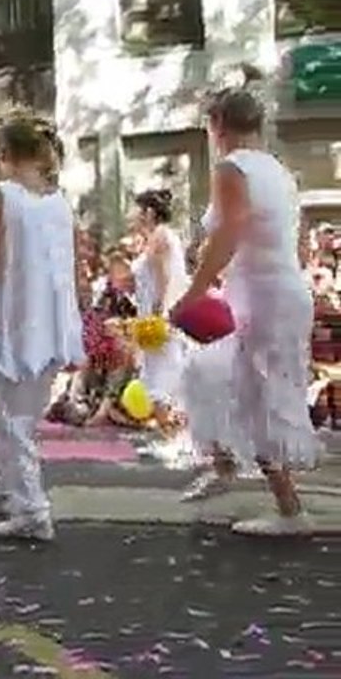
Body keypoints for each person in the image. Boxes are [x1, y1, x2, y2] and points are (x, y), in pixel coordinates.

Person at [175, 88, 319, 535]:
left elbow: (230, 231)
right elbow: (291, 238)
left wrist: (195, 291)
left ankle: (289, 510)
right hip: (279, 290)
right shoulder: (278, 170)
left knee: (255, 395)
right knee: (212, 374)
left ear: (217, 126)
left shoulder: (231, 167)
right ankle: (228, 464)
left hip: (262, 298)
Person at [0, 109, 84, 541]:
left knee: (9, 417)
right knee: (16, 413)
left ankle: (31, 507)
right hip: (49, 317)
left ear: (3, 153)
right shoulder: (59, 201)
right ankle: (7, 485)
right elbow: (72, 265)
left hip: (13, 316)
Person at [130, 189, 190, 459]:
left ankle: (178, 440)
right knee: (159, 378)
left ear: (149, 213)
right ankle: (175, 437)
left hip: (159, 316)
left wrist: (160, 314)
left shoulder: (161, 236)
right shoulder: (157, 237)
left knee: (162, 380)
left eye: (136, 209)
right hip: (152, 313)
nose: (132, 215)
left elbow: (166, 279)